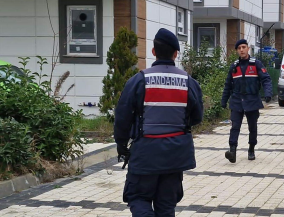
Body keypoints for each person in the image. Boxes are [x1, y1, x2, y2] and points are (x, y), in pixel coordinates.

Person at [114, 28, 204, 217]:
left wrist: (122, 144)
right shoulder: (188, 81)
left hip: (145, 153)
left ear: (153, 52)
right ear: (175, 53)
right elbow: (197, 117)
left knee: (138, 198)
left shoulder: (139, 80)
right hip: (175, 155)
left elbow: (123, 116)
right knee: (166, 205)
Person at [221, 39, 273, 163]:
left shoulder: (256, 64)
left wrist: (268, 93)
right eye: (239, 48)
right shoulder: (234, 66)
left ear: (248, 48)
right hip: (237, 100)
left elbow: (266, 79)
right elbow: (228, 85)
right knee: (235, 127)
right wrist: (224, 100)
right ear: (237, 51)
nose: (242, 50)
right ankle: (232, 151)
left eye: (244, 47)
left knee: (252, 127)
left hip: (252, 100)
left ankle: (251, 149)